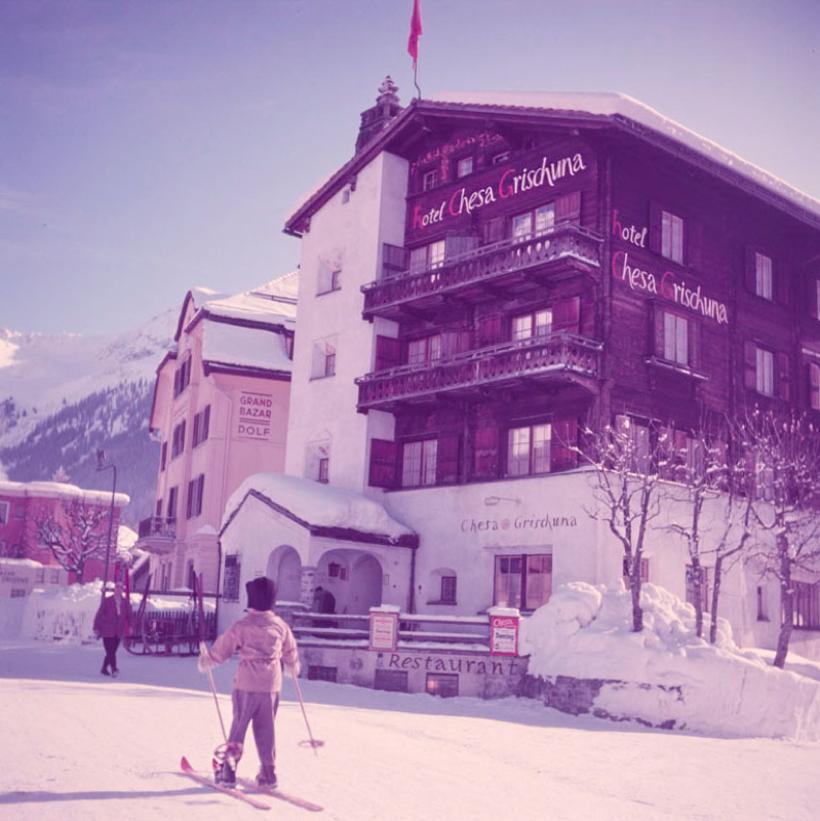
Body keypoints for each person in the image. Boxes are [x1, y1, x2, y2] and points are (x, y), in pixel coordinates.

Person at [198, 577, 300, 788]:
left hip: (247, 684)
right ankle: (268, 772)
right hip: (271, 684)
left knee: (239, 727)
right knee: (266, 728)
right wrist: (292, 664)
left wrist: (209, 659)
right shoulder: (280, 626)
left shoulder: (243, 626)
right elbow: (290, 651)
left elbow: (223, 648)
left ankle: (228, 772)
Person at [93, 581, 130, 677]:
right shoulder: (107, 601)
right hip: (107, 630)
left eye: (121, 587)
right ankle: (114, 669)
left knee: (112, 651)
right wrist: (96, 627)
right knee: (110, 651)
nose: (119, 589)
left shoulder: (125, 602)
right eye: (117, 587)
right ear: (115, 589)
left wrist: (130, 626)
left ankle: (104, 668)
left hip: (118, 631)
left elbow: (129, 616)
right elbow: (99, 614)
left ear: (122, 589)